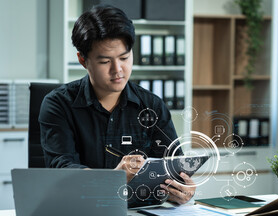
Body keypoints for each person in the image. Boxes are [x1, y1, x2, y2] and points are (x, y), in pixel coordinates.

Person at [39, 5, 194, 205]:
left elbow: (173, 166)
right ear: (83, 60)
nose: (118, 70)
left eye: (124, 58)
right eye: (105, 62)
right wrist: (112, 178)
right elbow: (61, 167)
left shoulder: (152, 105)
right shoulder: (58, 104)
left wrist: (181, 189)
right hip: (82, 210)